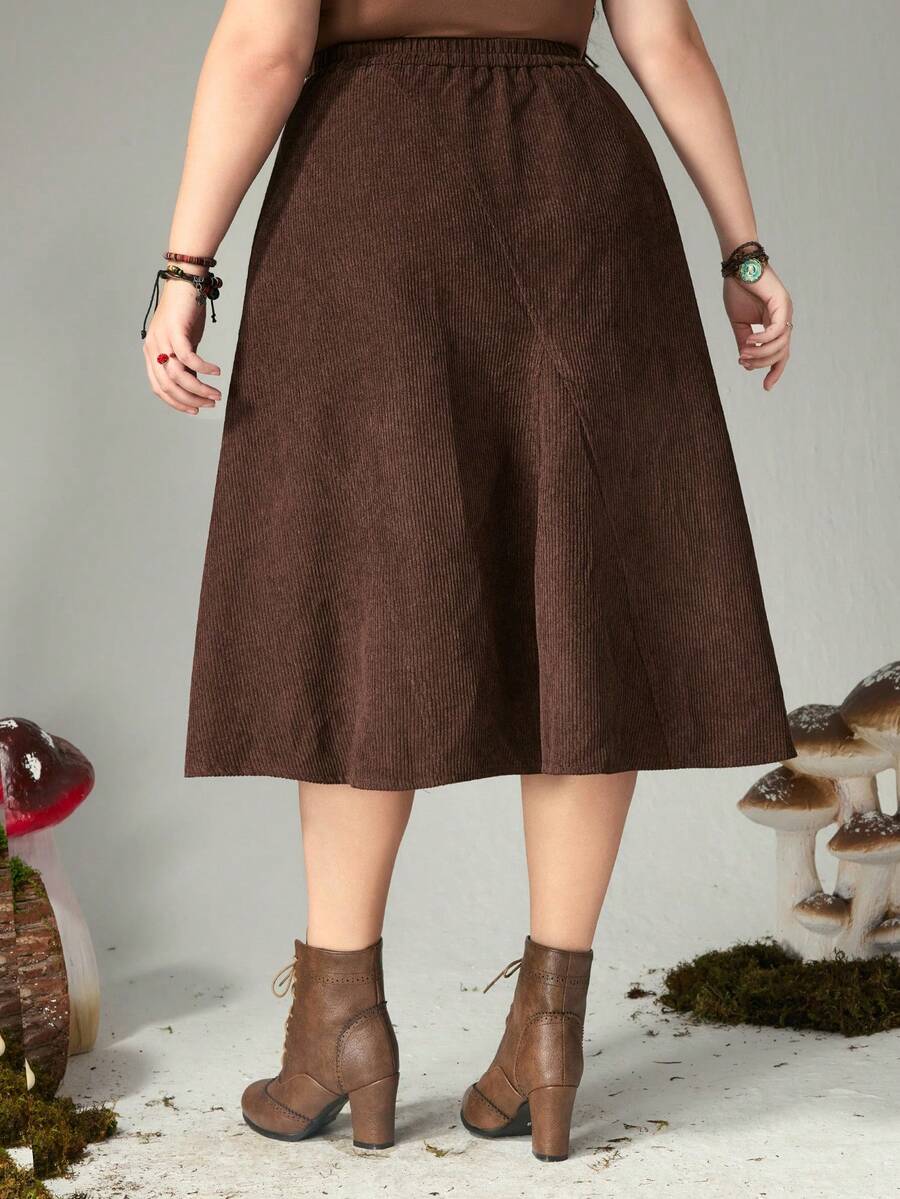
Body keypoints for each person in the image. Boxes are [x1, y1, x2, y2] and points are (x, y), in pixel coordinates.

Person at [141, 0, 796, 1163]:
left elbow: (265, 49)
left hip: (371, 188)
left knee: (367, 590)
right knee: (579, 592)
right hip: (577, 191)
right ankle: (548, 1029)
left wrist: (186, 266)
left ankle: (338, 1025)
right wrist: (743, 250)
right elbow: (663, 42)